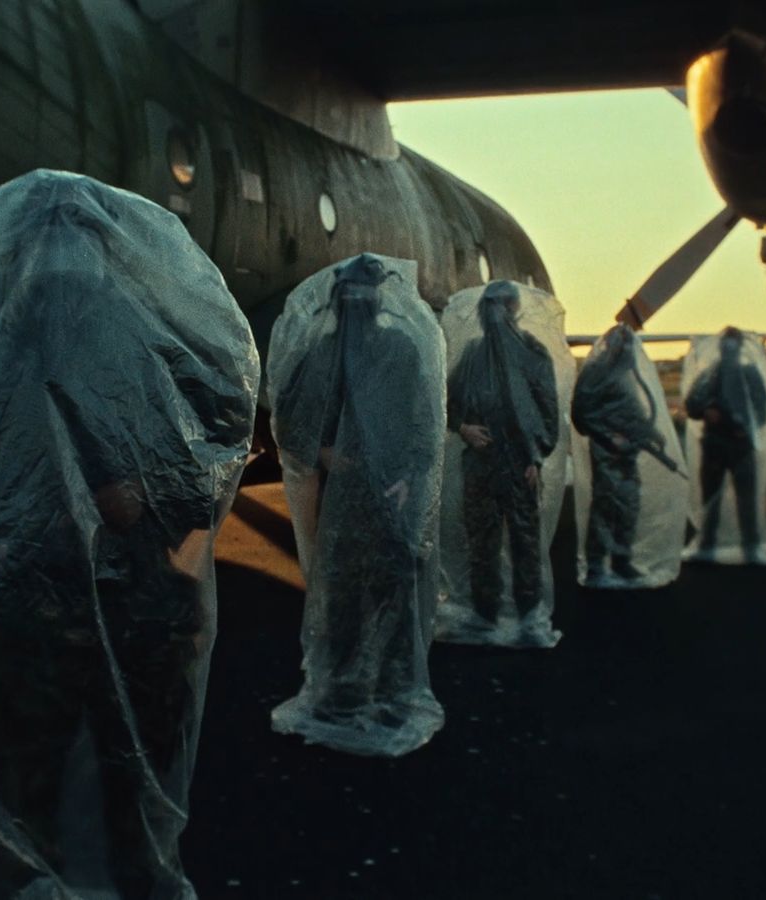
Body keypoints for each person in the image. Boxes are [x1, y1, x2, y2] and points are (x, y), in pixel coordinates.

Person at [0, 170, 259, 900]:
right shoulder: (135, 321)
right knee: (103, 776)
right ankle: (101, 878)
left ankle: (57, 877)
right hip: (84, 599)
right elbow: (222, 419)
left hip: (59, 598)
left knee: (40, 781)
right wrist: (160, 499)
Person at [267, 253, 446, 757]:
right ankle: (341, 692)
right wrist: (325, 453)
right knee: (341, 596)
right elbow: (292, 419)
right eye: (349, 297)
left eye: (363, 295)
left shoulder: (400, 350)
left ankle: (390, 694)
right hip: (341, 503)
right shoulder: (323, 355)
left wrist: (409, 478)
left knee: (392, 593)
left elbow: (422, 424)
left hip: (389, 497)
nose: (356, 305)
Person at [446, 282, 560, 633]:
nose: (497, 313)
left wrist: (535, 456)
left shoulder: (531, 351)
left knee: (525, 541)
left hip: (519, 463)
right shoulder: (473, 355)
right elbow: (448, 402)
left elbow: (547, 410)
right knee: (481, 541)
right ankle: (485, 612)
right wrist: (464, 428)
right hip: (481, 463)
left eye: (503, 306)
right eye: (491, 306)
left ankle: (528, 613)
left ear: (514, 310)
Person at [572, 323, 681, 583]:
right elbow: (582, 414)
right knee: (605, 508)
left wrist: (651, 433)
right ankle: (597, 566)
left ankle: (622, 561)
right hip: (606, 452)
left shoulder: (626, 373)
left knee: (629, 506)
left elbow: (632, 408)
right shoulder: (596, 371)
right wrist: (609, 437)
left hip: (627, 453)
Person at [684, 326, 766, 561]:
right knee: (710, 499)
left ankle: (751, 546)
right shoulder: (709, 375)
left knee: (747, 501)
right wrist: (707, 411)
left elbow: (762, 410)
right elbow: (692, 404)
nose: (729, 349)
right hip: (714, 444)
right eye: (726, 344)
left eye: (733, 344)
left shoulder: (750, 374)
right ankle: (707, 545)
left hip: (742, 445)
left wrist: (745, 427)